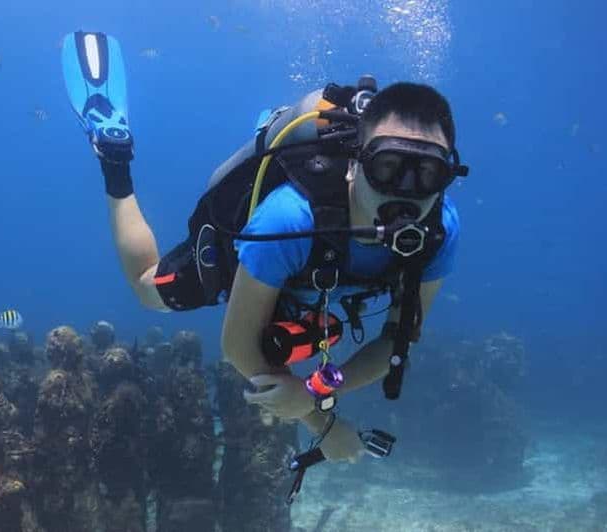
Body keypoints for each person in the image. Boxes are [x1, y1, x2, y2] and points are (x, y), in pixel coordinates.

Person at [62, 32, 466, 464]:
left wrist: (316, 388)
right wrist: (321, 423)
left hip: (313, 279)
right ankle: (113, 155)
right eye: (388, 167)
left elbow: (399, 338)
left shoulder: (438, 231)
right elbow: (238, 346)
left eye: (427, 174)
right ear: (356, 163)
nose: (405, 194)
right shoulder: (289, 221)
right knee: (147, 291)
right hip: (262, 253)